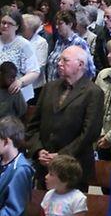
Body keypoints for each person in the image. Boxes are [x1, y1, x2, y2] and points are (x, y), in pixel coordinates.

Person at [26, 45, 105, 189]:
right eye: (60, 59)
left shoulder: (93, 93)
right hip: (45, 167)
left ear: (80, 65)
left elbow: (90, 133)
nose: (59, 62)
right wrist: (38, 150)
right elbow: (33, 125)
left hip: (73, 168)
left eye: (65, 60)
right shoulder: (49, 87)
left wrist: (61, 156)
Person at [0, 8, 41, 98]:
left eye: (10, 23)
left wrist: (20, 82)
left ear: (17, 26)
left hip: (18, 97)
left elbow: (34, 72)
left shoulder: (24, 45)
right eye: (3, 22)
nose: (5, 26)